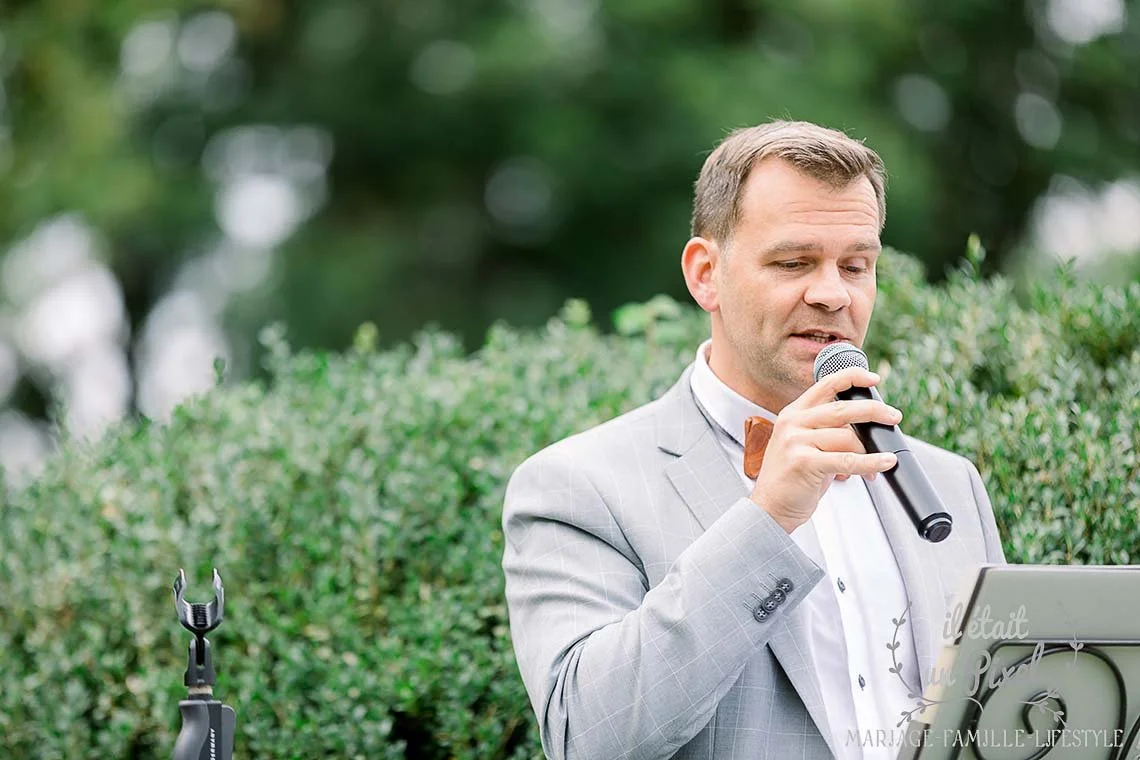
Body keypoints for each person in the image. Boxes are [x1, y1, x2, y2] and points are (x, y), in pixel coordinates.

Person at [501, 120, 1005, 760]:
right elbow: (590, 737)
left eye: (856, 265)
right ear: (705, 273)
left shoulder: (950, 484)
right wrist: (768, 521)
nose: (831, 294)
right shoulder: (577, 486)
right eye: (793, 262)